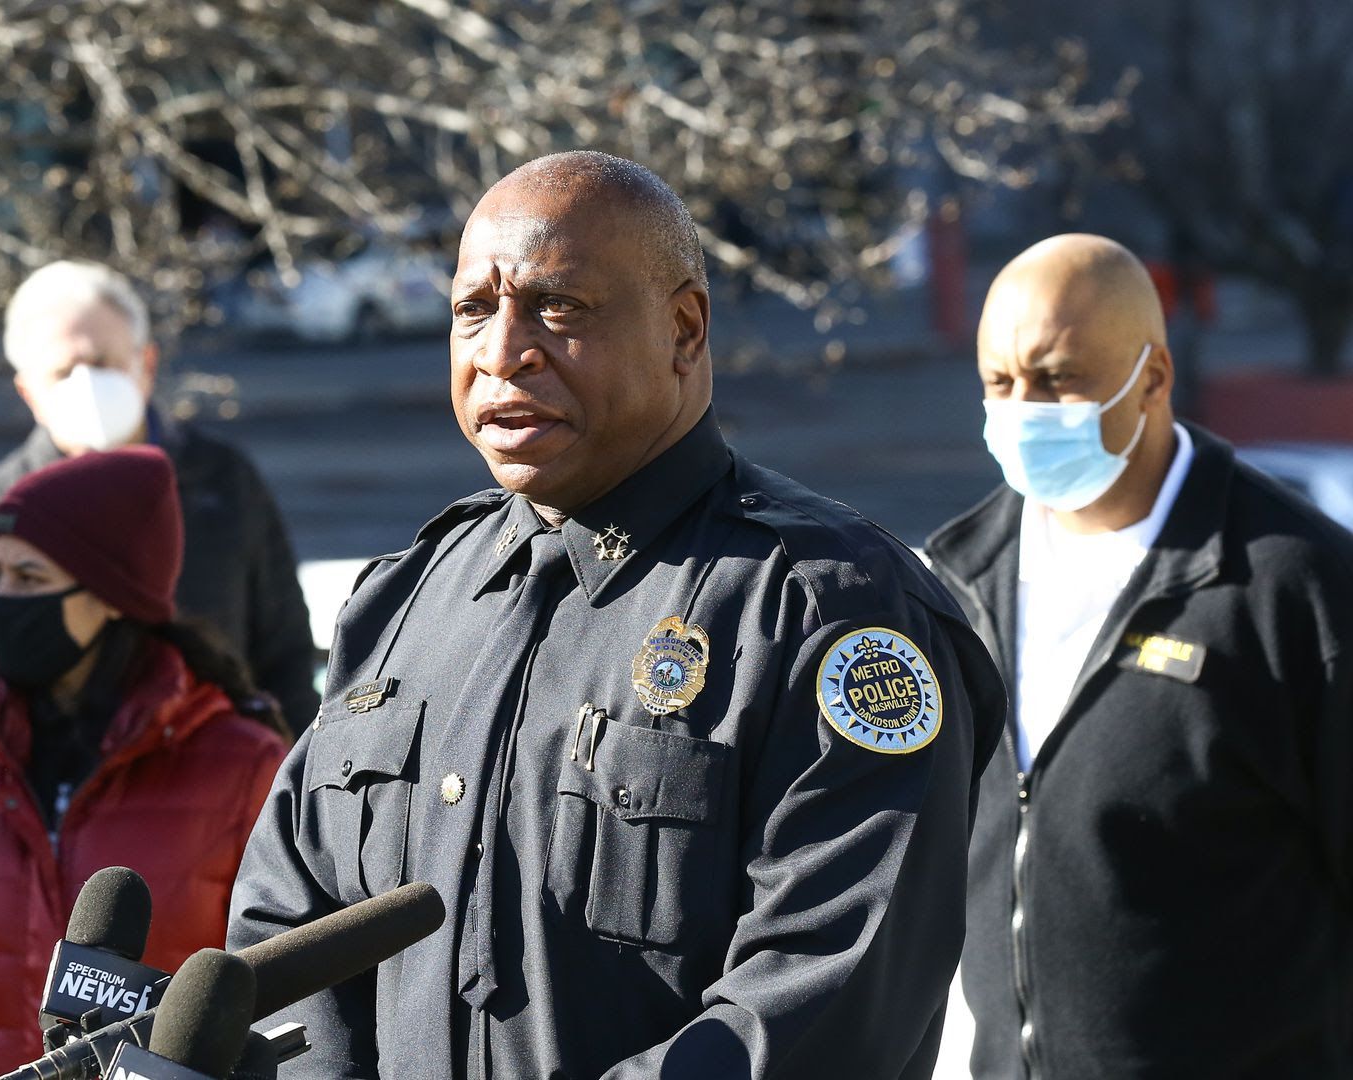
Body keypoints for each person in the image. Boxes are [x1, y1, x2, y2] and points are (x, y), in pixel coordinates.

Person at [225, 151, 1006, 1079]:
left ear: (683, 329)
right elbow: (289, 935)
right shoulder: (403, 601)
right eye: (474, 309)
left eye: (559, 309)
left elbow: (820, 1002)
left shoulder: (829, 613)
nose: (503, 350)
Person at [922, 234, 1353, 1078]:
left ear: (1152, 376)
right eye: (1000, 383)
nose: (1023, 411)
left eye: (1058, 379)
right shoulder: (960, 580)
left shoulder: (1313, 593)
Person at [0, 446, 291, 1079]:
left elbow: (283, 995)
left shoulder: (244, 769)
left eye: (30, 579)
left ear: (113, 595)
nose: (1, 605)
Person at [0, 259, 319, 729]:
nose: (87, 385)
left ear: (145, 365)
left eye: (102, 364)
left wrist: (282, 777)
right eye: (64, 371)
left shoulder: (222, 480)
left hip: (221, 780)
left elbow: (285, 656)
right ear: (28, 391)